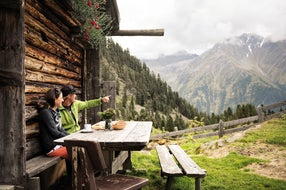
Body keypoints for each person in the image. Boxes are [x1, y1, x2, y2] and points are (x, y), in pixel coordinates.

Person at [39, 88, 69, 159]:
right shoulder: (46, 113)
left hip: (58, 145)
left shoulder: (56, 112)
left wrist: (72, 136)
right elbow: (54, 132)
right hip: (51, 148)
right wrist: (70, 138)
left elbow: (61, 130)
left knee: (79, 149)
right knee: (77, 151)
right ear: (55, 99)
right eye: (61, 98)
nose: (63, 100)